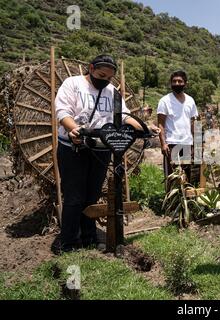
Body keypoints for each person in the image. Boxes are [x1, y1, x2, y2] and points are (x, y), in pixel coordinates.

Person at [55, 54, 150, 252]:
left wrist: (144, 127)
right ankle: (68, 242)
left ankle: (89, 237)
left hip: (101, 148)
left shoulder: (112, 92)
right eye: (101, 75)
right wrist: (73, 130)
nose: (104, 80)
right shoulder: (72, 84)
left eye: (108, 78)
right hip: (74, 148)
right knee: (74, 196)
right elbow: (63, 111)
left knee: (92, 195)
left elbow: (123, 117)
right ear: (90, 68)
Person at [157, 70, 198, 188]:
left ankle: (184, 205)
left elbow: (193, 123)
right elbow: (161, 124)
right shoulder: (165, 101)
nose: (177, 83)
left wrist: (195, 144)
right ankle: (170, 205)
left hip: (186, 143)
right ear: (170, 83)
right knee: (171, 176)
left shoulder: (190, 101)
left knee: (186, 176)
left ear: (185, 83)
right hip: (171, 143)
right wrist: (163, 144)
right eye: (174, 81)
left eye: (180, 81)